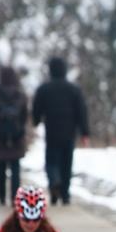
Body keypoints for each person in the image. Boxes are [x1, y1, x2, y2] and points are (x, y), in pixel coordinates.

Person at [32, 56, 90, 206]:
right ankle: (65, 194)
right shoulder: (74, 89)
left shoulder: (44, 89)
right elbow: (81, 111)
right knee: (67, 163)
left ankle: (54, 182)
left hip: (52, 131)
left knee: (51, 161)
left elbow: (36, 108)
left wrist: (36, 121)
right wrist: (85, 132)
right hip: (69, 132)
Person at [0, 66, 29, 205]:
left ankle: (2, 196)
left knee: (1, 168)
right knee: (15, 168)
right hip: (17, 138)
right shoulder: (20, 96)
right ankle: (15, 196)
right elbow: (25, 116)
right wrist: (21, 130)